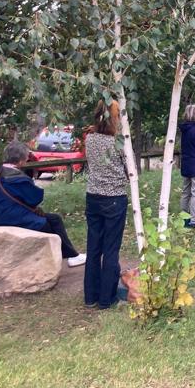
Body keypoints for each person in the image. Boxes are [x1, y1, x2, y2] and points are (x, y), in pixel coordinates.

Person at [0, 141, 85, 267]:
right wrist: (31, 179)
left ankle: (71, 254)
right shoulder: (19, 178)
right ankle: (68, 256)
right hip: (14, 218)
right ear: (22, 160)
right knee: (48, 224)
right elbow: (35, 198)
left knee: (54, 219)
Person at [83, 101, 129, 310]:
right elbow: (130, 169)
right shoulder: (119, 142)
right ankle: (106, 297)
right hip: (114, 198)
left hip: (93, 196)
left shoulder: (90, 139)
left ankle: (90, 296)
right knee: (110, 249)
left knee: (93, 247)